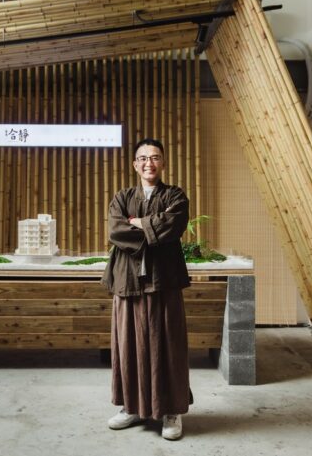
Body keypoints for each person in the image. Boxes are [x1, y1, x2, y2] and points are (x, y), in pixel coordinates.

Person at [101, 138, 192, 441]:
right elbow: (116, 230)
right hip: (128, 281)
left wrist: (139, 222)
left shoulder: (176, 196)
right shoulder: (122, 197)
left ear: (163, 162)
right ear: (135, 164)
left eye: (154, 157)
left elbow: (173, 225)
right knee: (129, 345)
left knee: (168, 345)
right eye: (142, 158)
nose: (148, 163)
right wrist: (152, 229)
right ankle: (131, 406)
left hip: (164, 280)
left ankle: (171, 411)